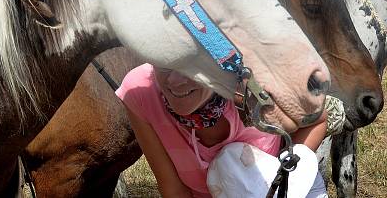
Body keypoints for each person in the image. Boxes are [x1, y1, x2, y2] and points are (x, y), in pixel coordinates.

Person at [118, 64, 328, 197]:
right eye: (164, 61)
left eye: (191, 63)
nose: (174, 81)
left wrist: (285, 176)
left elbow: (317, 120)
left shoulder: (257, 84)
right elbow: (174, 190)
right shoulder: (140, 93)